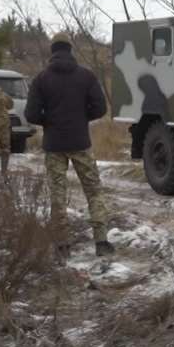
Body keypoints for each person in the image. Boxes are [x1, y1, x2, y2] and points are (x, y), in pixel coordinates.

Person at [24, 32, 113, 260]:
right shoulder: (87, 76)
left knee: (57, 194)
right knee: (93, 191)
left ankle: (62, 245)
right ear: (70, 49)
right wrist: (82, 118)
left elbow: (31, 114)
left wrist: (49, 121)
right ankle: (101, 241)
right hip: (80, 142)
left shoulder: (41, 79)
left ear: (53, 50)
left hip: (54, 144)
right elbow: (101, 109)